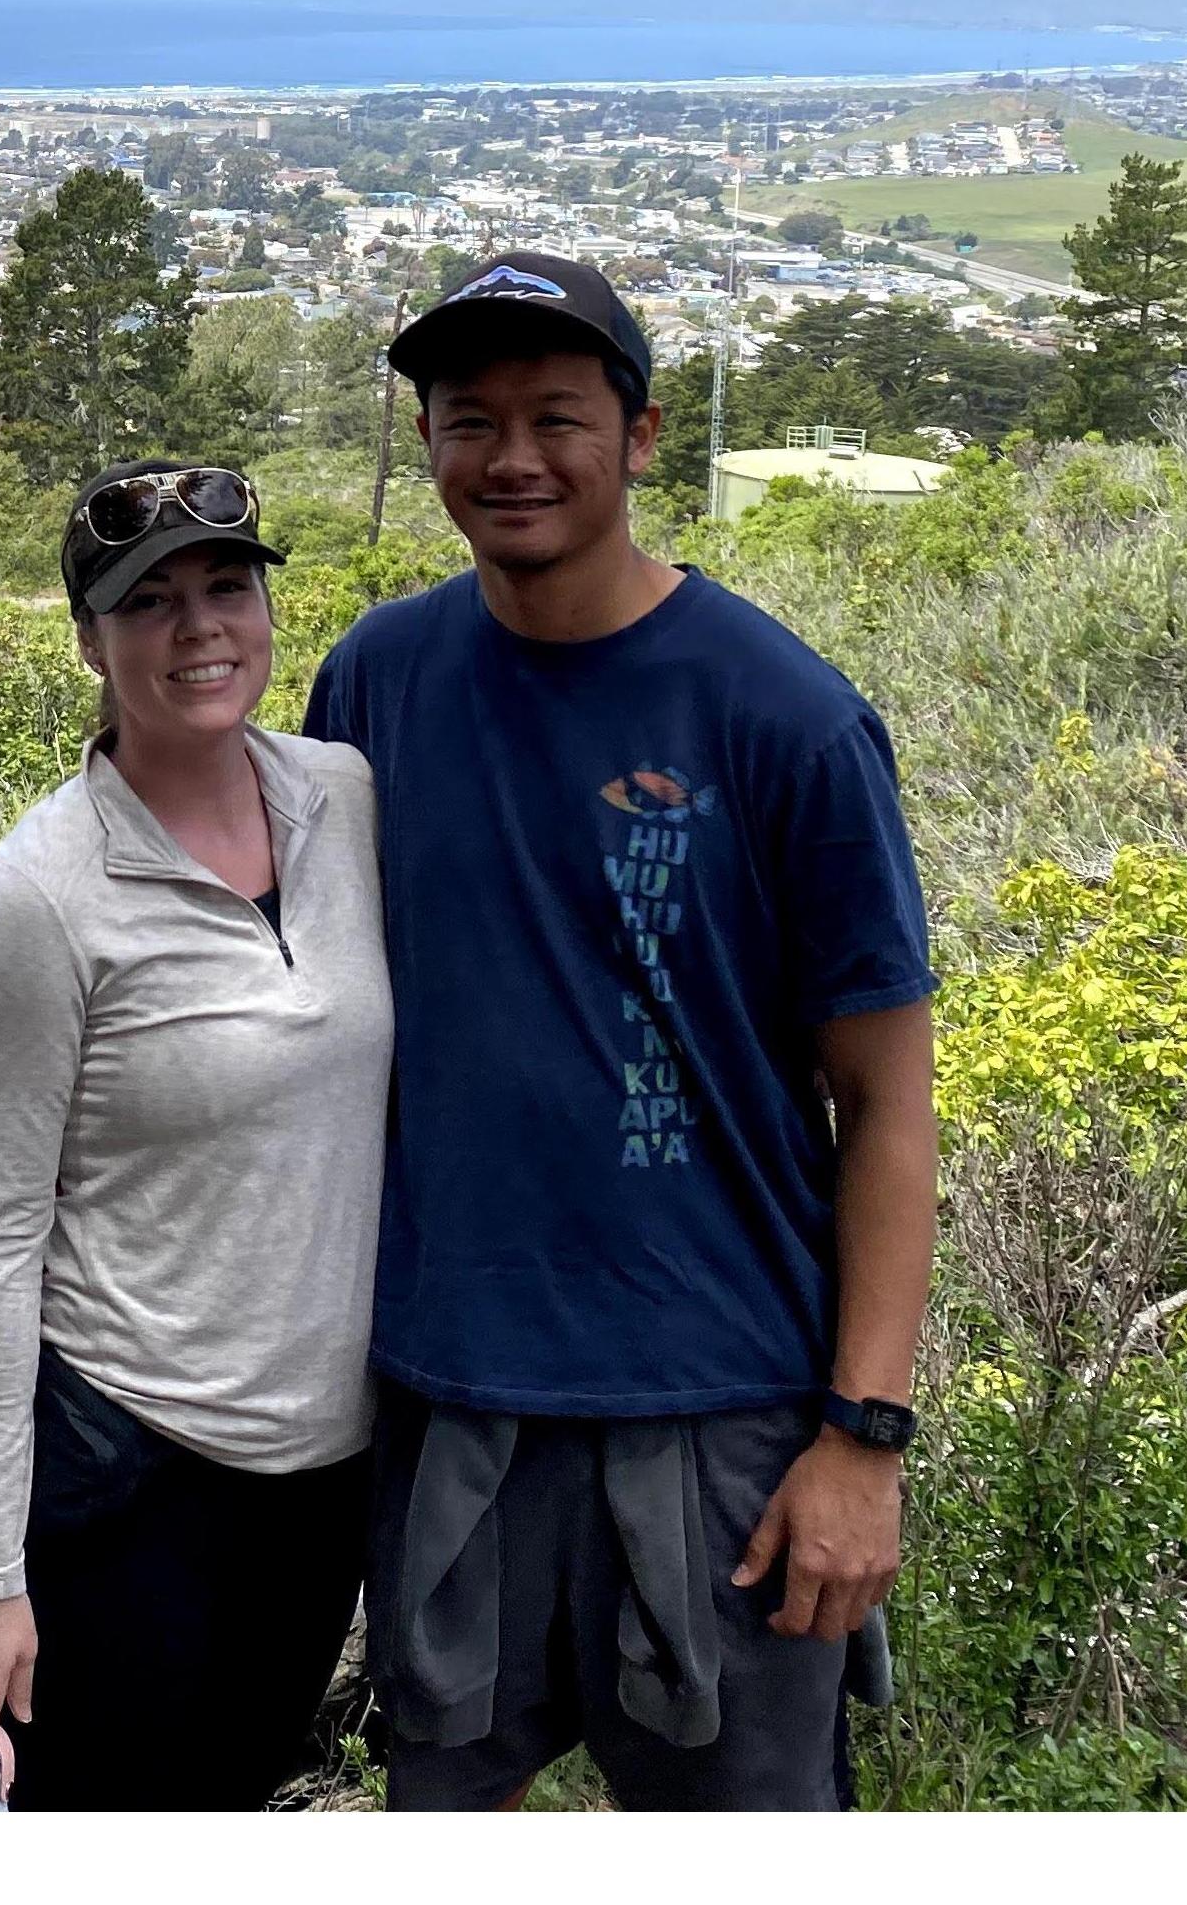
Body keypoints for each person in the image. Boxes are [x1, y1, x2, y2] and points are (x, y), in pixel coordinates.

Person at [303, 256, 937, 1813]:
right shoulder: (373, 682)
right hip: (450, 1397)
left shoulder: (783, 716)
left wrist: (862, 1438)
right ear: (429, 444)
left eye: (555, 418)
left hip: (719, 1412)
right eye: (470, 420)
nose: (511, 457)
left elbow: (889, 1105)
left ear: (642, 435)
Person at [0, 462, 393, 1811]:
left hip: (320, 1485)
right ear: (89, 638)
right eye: (149, 599)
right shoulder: (36, 902)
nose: (200, 626)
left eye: (226, 585)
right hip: (129, 1475)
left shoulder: (344, 799)